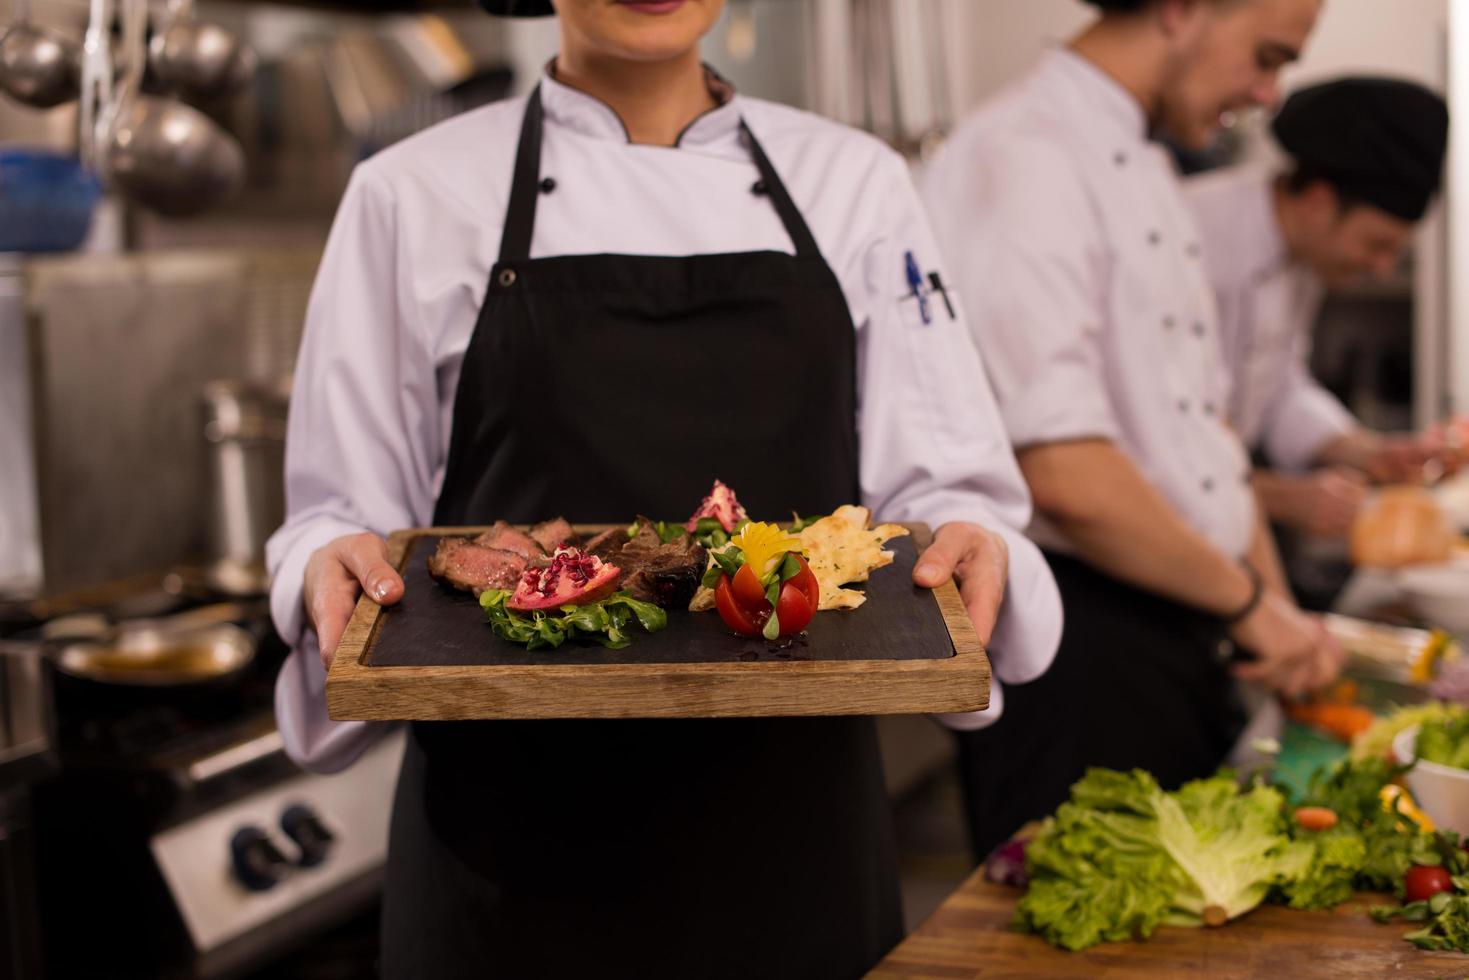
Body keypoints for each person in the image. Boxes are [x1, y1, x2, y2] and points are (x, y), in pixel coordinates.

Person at [266, 0, 1063, 976]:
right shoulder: (408, 193)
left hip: (790, 832)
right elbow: (338, 511)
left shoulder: (853, 182)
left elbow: (946, 486)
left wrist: (972, 536)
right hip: (507, 841)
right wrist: (325, 559)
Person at [921, 0, 1342, 859]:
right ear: (1182, 10)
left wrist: (1275, 608)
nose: (1267, 93)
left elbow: (1203, 432)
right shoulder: (1023, 154)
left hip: (1179, 614)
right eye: (1265, 56)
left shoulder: (1145, 158)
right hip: (1079, 645)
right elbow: (1064, 472)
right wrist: (1255, 606)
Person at [1186, 77, 1453, 541]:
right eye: (1377, 245)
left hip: (1217, 512)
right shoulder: (1193, 237)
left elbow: (1278, 387)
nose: (1382, 267)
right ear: (1318, 202)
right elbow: (1153, 435)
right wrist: (1280, 496)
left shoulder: (1302, 259)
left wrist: (1369, 453)